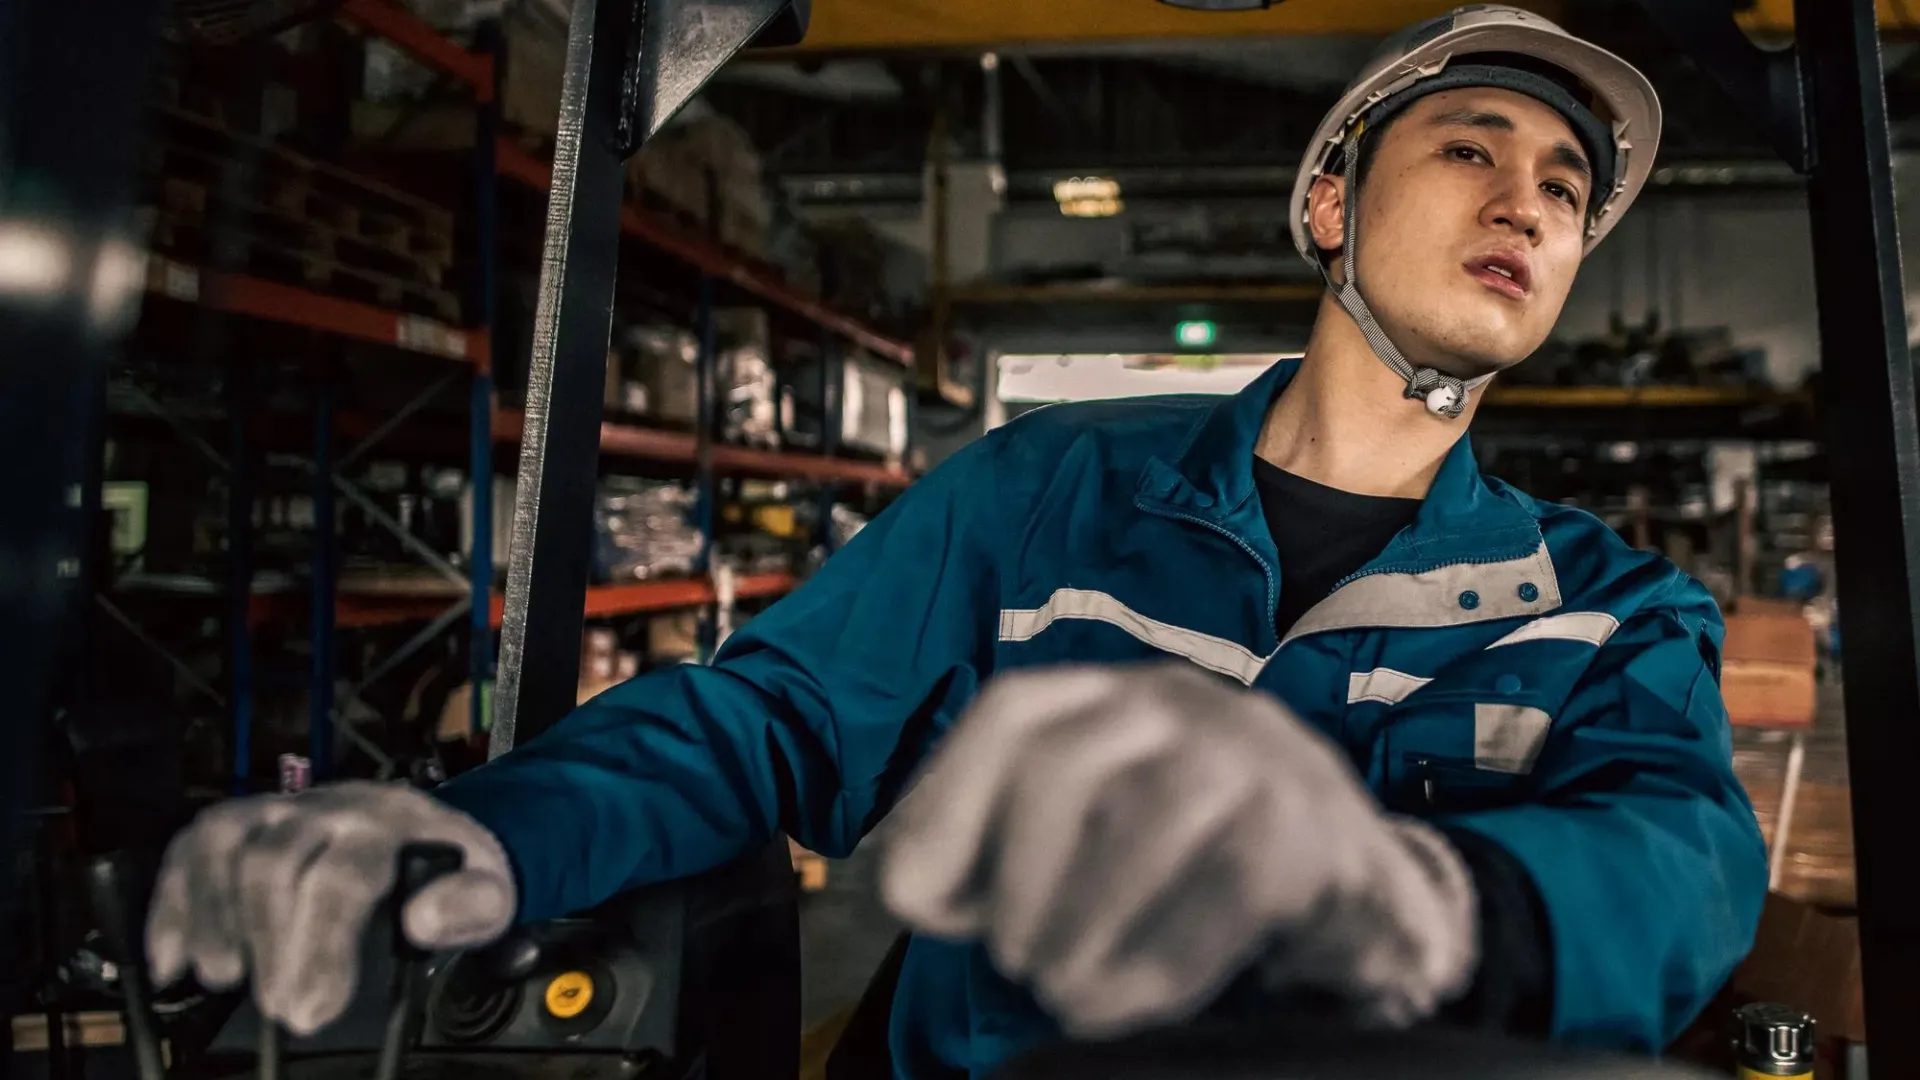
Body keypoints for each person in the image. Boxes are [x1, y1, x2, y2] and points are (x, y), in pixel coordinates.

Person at [146, 7, 1767, 1079]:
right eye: (1472, 147)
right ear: (1332, 206)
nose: (1530, 203)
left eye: (1567, 189)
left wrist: (1423, 901)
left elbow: (1681, 861)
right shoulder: (1049, 494)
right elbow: (769, 718)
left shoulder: (1607, 610)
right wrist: (490, 836)